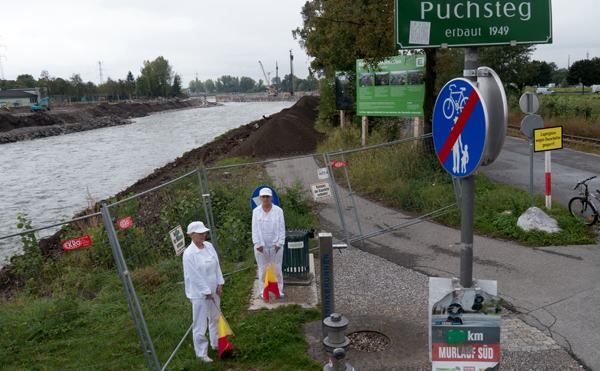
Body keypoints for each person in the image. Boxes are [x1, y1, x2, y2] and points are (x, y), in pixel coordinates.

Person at [182, 221, 225, 363]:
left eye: (204, 232)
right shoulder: (189, 254)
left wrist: (220, 283)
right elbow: (194, 276)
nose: (203, 234)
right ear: (191, 235)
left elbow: (216, 265)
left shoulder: (209, 246)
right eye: (199, 233)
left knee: (215, 317)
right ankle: (201, 353)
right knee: (200, 323)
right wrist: (207, 292)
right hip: (199, 294)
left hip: (214, 289)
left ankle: (215, 343)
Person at [252, 187, 286, 298]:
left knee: (277, 268)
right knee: (262, 268)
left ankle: (278, 290)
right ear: (260, 198)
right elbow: (254, 229)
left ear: (271, 197)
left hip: (276, 245)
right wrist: (257, 244)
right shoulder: (256, 212)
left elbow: (282, 228)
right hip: (262, 246)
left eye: (267, 197)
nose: (265, 199)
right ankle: (263, 290)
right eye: (263, 197)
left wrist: (279, 243)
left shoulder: (278, 211)